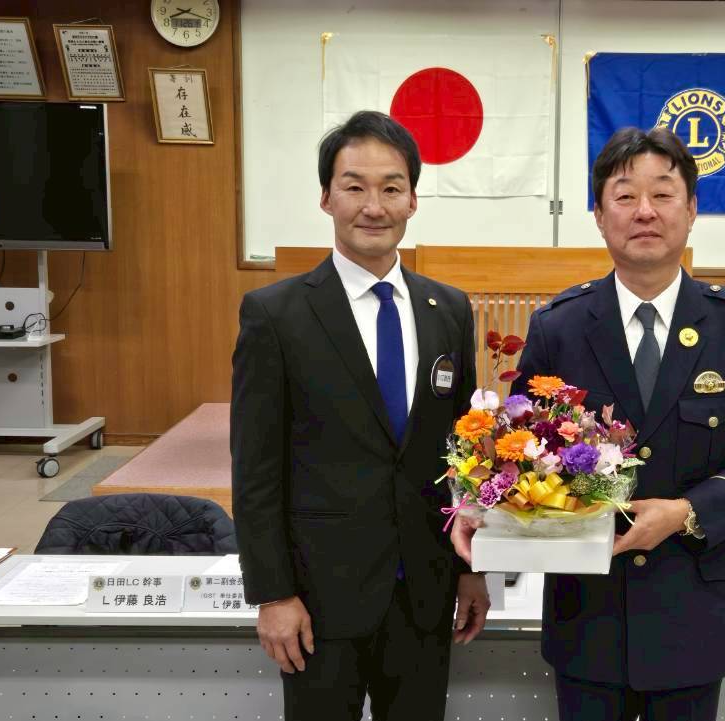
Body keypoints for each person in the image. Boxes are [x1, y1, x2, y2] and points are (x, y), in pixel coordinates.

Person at [453, 126, 725, 720]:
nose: (645, 211)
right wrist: (478, 505)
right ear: (598, 215)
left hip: (694, 610)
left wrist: (687, 512)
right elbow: (515, 458)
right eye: (624, 196)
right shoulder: (559, 328)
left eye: (663, 194)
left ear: (692, 210)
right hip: (588, 615)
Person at [232, 110, 489, 721]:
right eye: (354, 187)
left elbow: (466, 459)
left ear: (413, 200)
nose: (374, 206)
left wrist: (473, 570)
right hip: (318, 599)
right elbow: (256, 469)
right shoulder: (276, 314)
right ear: (326, 198)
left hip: (425, 592)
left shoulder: (449, 310)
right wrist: (273, 593)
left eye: (391, 188)